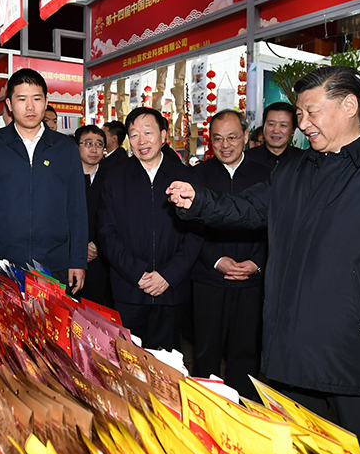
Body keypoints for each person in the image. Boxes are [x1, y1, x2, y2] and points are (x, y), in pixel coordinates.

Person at [166, 66, 360, 446]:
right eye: (299, 114)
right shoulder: (294, 170)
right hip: (293, 352)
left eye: (311, 112)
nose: (302, 124)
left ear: (349, 105)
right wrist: (199, 200)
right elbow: (249, 209)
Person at [0, 69, 87, 290]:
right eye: (22, 99)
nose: (30, 107)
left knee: (54, 324)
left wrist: (78, 260)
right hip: (2, 263)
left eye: (37, 99)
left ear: (46, 101)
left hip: (55, 264)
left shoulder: (65, 148)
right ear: (10, 105)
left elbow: (77, 208)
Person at [97, 107, 202, 350]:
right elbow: (106, 233)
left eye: (148, 132)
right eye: (134, 135)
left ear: (164, 136)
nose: (141, 141)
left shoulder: (185, 178)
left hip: (171, 290)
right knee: (127, 363)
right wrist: (137, 274)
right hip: (129, 289)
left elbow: (196, 233)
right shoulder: (114, 178)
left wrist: (168, 275)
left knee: (167, 367)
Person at [190, 110, 269, 399]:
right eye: (218, 139)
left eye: (233, 137)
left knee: (246, 355)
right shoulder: (197, 175)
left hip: (251, 280)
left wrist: (257, 263)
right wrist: (216, 260)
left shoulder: (266, 175)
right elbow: (188, 229)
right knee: (205, 352)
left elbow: (276, 228)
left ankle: (244, 413)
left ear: (246, 137)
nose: (225, 145)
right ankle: (203, 412)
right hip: (209, 278)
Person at [75, 125, 112, 307]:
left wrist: (98, 243)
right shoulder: (66, 178)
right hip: (70, 258)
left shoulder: (112, 179)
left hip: (100, 258)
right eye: (88, 143)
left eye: (99, 144)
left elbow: (116, 218)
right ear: (77, 146)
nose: (94, 149)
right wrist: (79, 246)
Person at [246, 101, 301, 170]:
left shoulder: (303, 160)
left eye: (283, 125)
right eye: (271, 124)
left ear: (293, 129)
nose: (276, 130)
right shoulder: (246, 159)